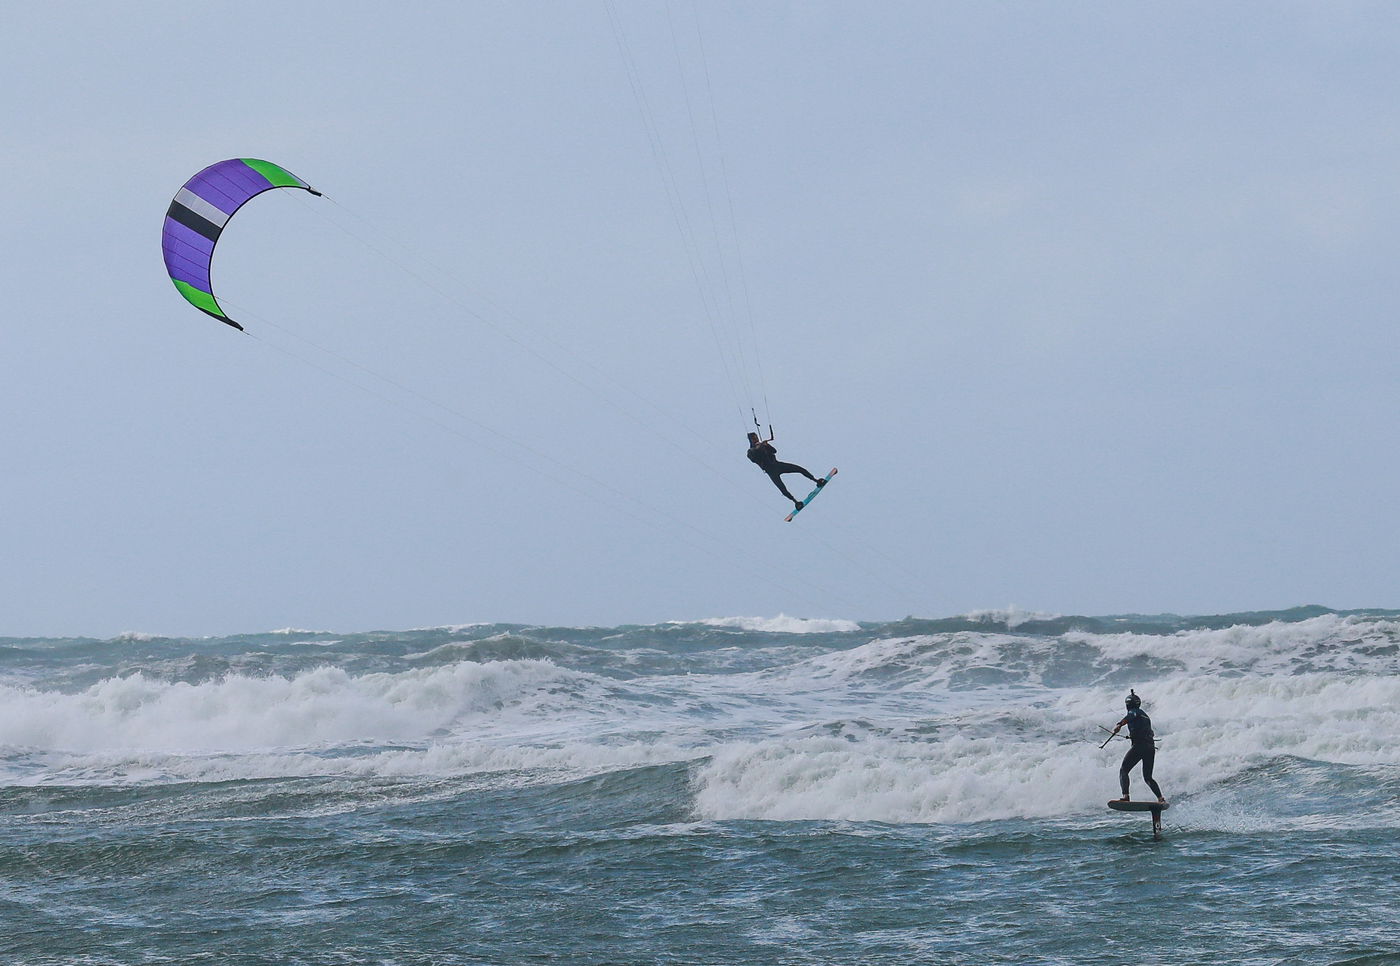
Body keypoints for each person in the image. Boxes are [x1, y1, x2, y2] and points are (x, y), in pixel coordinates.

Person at [1109, 689, 1165, 803]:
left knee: (1123, 770)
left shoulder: (1133, 712)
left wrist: (1119, 725)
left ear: (1128, 705)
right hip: (1150, 747)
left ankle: (1125, 796)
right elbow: (1149, 732)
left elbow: (1130, 716)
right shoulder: (1145, 715)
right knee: (1148, 777)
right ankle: (1161, 798)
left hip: (1140, 746)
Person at [746, 431, 822, 509]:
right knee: (783, 489)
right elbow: (753, 459)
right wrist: (758, 448)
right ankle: (796, 502)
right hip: (771, 471)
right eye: (753, 438)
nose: (756, 439)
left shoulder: (762, 445)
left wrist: (766, 445)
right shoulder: (750, 451)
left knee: (799, 469)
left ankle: (816, 480)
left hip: (778, 465)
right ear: (750, 440)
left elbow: (774, 451)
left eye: (756, 437)